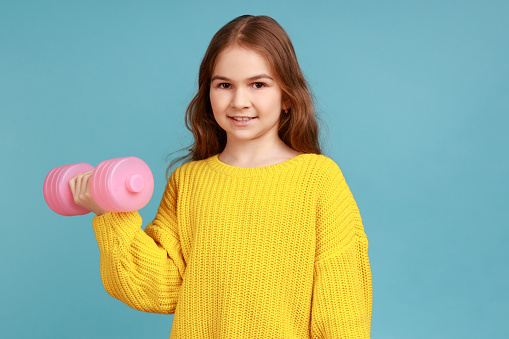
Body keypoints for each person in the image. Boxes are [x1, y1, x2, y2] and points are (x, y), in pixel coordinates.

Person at [69, 15, 372, 339]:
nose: (239, 102)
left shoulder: (317, 180)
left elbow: (343, 308)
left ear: (286, 95)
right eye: (224, 85)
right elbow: (160, 290)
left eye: (258, 84)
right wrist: (110, 213)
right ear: (208, 92)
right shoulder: (188, 181)